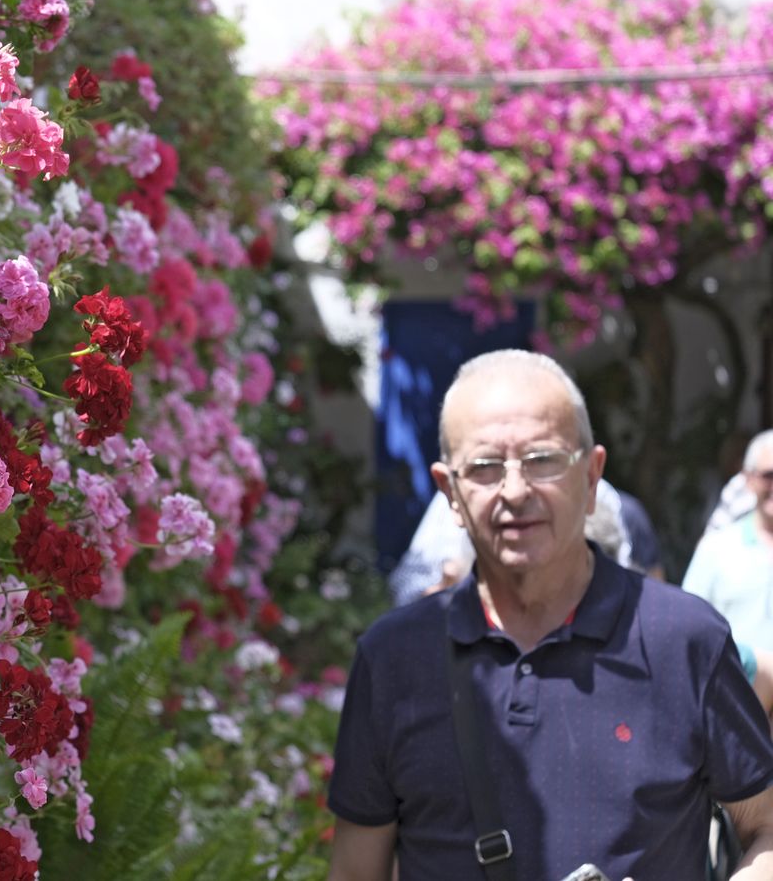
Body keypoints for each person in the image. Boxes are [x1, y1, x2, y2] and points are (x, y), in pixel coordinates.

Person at [326, 350, 773, 881]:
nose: (515, 491)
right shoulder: (394, 657)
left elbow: (765, 826)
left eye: (543, 460)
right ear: (450, 492)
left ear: (591, 477)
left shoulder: (682, 638)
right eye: (486, 467)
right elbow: (357, 870)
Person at [389, 478, 662, 606]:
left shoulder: (620, 509)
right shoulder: (461, 496)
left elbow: (652, 591)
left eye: (541, 457)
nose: (516, 493)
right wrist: (448, 595)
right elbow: (406, 590)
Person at [686, 430, 773, 712]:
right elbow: (687, 627)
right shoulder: (716, 549)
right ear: (748, 479)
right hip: (736, 711)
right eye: (768, 476)